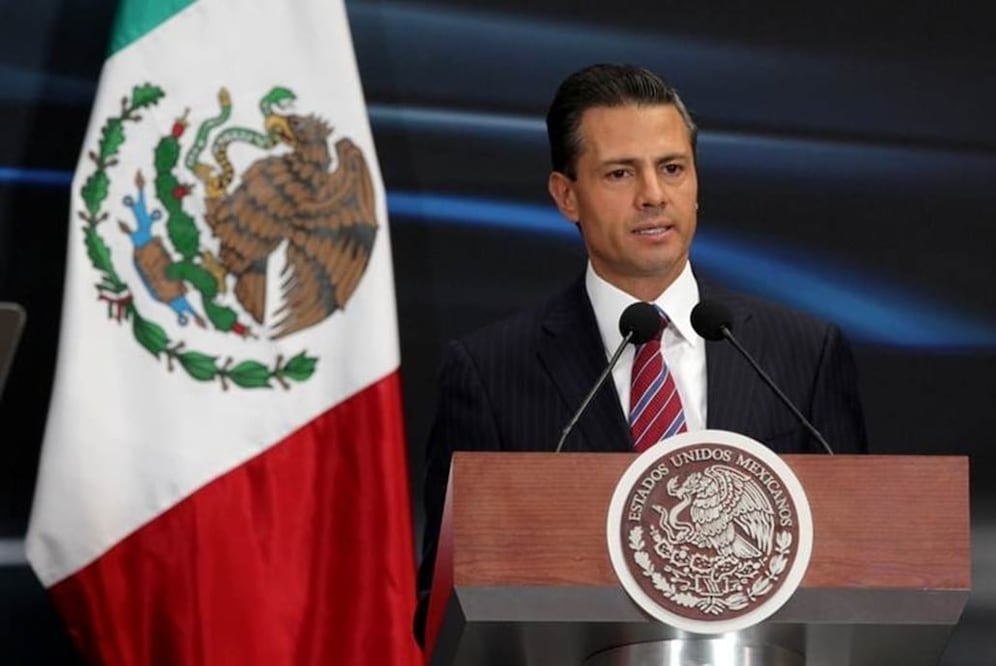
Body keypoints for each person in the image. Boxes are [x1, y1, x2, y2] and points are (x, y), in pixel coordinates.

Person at [413, 63, 867, 646]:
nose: (653, 195)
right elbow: (447, 600)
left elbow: (856, 567)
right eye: (620, 173)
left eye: (672, 168)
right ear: (566, 196)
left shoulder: (802, 355)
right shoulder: (491, 371)